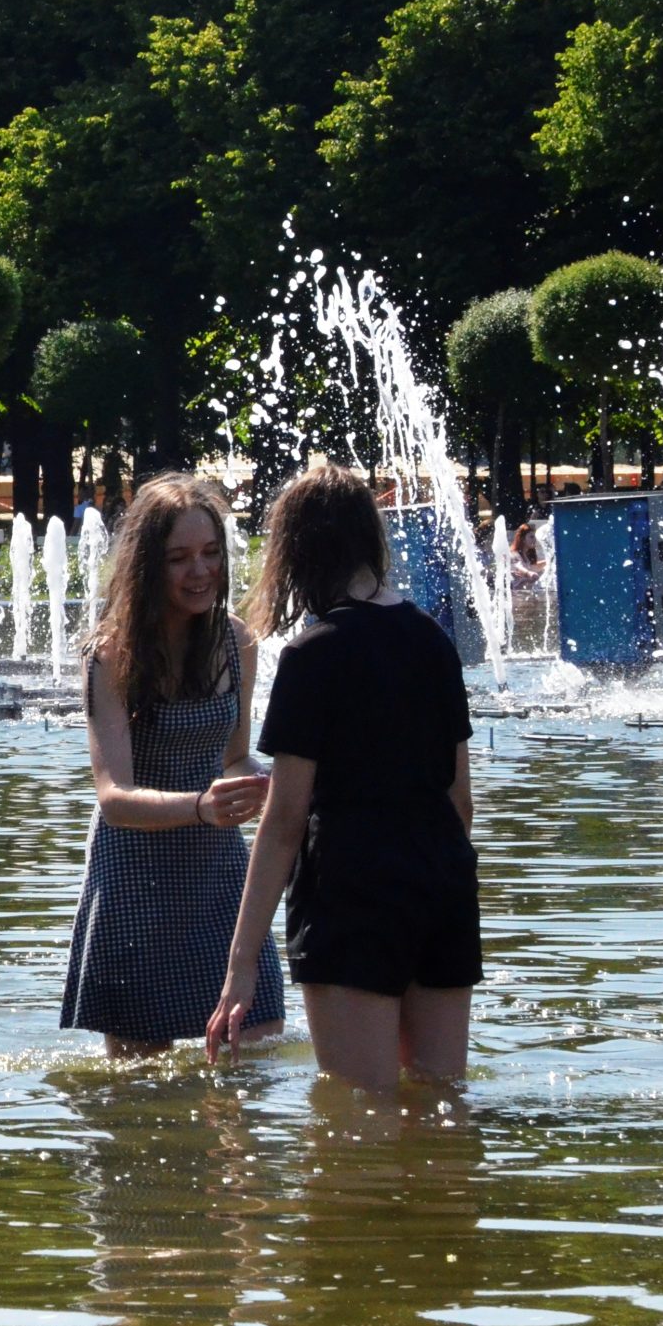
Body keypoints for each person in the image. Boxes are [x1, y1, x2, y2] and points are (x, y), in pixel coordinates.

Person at [207, 465, 478, 1092]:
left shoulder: (313, 655)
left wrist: (242, 965)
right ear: (369, 542)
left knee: (359, 1112)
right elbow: (459, 800)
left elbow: (283, 821)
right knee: (442, 1101)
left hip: (351, 895)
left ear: (296, 553)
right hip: (442, 889)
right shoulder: (434, 640)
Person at [61, 473, 284, 1058]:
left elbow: (236, 754)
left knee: (254, 1048)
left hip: (219, 875)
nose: (200, 571)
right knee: (136, 1094)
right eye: (180, 558)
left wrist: (259, 782)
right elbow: (113, 794)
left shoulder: (238, 643)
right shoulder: (109, 656)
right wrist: (201, 806)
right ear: (146, 566)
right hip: (134, 874)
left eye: (211, 554)